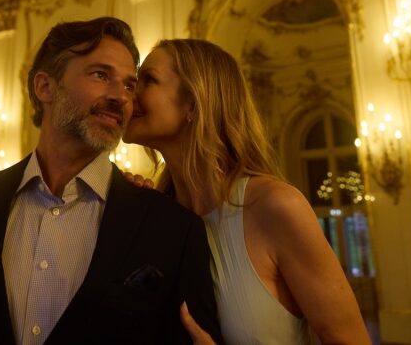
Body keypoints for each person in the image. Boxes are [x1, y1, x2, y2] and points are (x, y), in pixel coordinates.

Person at [0, 18, 222, 345]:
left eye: (129, 84)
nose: (120, 96)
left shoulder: (173, 229)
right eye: (101, 75)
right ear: (45, 87)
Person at [124, 39, 371, 345]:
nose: (129, 93)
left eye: (148, 80)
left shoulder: (275, 206)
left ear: (193, 103)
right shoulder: (158, 214)